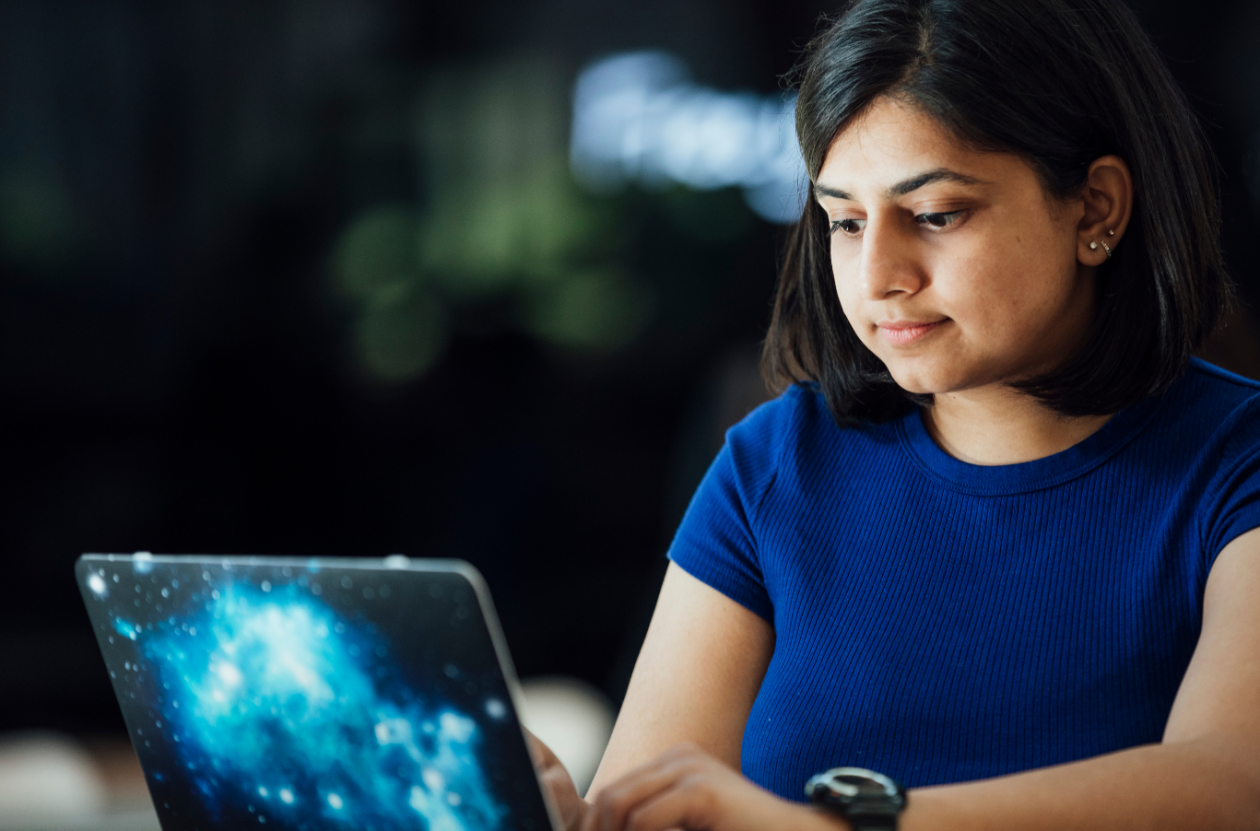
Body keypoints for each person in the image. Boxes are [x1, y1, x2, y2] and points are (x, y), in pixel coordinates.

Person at [533, 0, 1260, 828]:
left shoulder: (1236, 463)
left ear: (1095, 208)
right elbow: (656, 802)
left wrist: (850, 823)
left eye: (936, 214)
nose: (877, 274)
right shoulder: (776, 462)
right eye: (844, 220)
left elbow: (1231, 783)